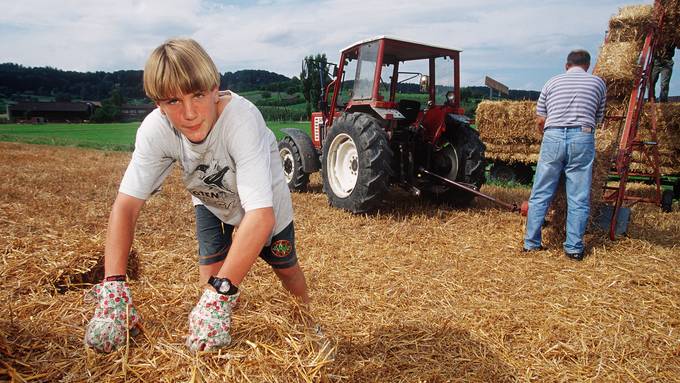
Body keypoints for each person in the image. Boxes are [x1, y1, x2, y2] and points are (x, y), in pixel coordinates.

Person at [84, 38, 311, 352]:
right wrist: (113, 287)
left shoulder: (241, 120)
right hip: (211, 199)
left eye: (198, 95)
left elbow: (260, 217)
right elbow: (126, 206)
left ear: (215, 88)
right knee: (210, 272)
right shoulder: (155, 131)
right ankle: (216, 320)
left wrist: (223, 292)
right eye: (173, 102)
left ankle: (307, 323)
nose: (189, 113)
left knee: (286, 269)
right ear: (158, 104)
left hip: (263, 204)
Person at [523, 49, 606, 261]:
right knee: (578, 196)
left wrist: (551, 135)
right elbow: (598, 118)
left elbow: (540, 119)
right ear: (587, 65)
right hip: (582, 135)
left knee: (541, 192)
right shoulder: (597, 83)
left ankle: (531, 243)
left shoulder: (552, 82)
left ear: (566, 65)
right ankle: (574, 249)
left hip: (553, 135)